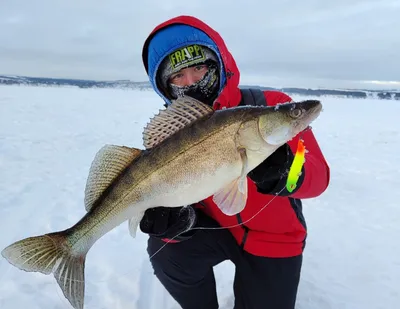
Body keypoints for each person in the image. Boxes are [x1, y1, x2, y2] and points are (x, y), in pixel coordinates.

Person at [139, 15, 330, 309]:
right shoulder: (173, 135)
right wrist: (177, 223)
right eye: (178, 76)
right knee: (164, 249)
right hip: (217, 230)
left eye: (199, 67)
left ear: (218, 63)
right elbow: (190, 196)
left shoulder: (271, 107)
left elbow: (318, 178)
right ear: (165, 86)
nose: (191, 82)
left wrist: (286, 174)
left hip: (275, 241)